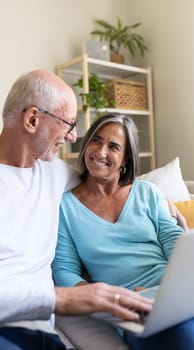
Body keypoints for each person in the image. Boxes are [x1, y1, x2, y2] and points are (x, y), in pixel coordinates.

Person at [0, 71, 154, 350]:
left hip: (41, 335)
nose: (73, 137)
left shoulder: (52, 171)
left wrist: (160, 198)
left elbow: (107, 181)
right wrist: (61, 298)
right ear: (32, 119)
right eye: (68, 123)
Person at [52, 113, 194, 350]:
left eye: (113, 146)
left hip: (179, 290)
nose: (101, 151)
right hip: (135, 305)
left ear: (126, 158)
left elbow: (172, 240)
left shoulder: (148, 192)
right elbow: (65, 270)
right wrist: (112, 296)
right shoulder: (66, 206)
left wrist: (193, 282)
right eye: (96, 140)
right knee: (188, 335)